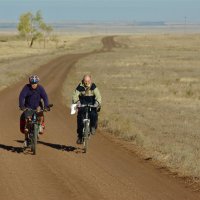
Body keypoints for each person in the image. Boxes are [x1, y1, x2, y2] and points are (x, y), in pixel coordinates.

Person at [19, 75, 50, 147]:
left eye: (35, 83)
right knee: (28, 121)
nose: (33, 85)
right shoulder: (26, 88)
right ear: (30, 83)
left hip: (38, 107)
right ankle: (26, 139)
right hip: (28, 107)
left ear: (37, 83)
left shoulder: (40, 88)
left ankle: (40, 126)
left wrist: (46, 106)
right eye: (32, 83)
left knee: (41, 115)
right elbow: (22, 96)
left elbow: (45, 97)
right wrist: (22, 106)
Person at [72, 74, 102, 144]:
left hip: (92, 105)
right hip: (82, 105)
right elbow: (75, 95)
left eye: (88, 81)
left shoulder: (93, 86)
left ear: (90, 80)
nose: (86, 83)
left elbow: (98, 96)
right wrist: (77, 102)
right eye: (85, 81)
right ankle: (79, 136)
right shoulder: (80, 87)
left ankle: (92, 127)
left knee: (94, 114)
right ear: (83, 81)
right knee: (79, 119)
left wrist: (97, 103)